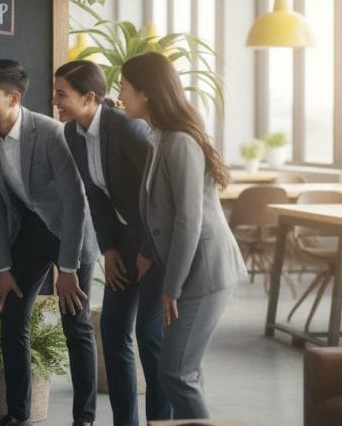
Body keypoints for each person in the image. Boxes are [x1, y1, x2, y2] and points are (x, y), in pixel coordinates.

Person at [117, 51, 247, 419]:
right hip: (190, 269)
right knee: (186, 370)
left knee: (176, 372)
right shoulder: (160, 135)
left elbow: (188, 220)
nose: (121, 94)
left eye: (125, 88)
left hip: (204, 272)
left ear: (147, 94)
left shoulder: (180, 142)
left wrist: (170, 287)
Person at [0, 59, 99, 426]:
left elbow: (75, 202)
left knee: (75, 322)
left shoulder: (49, 133)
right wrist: (3, 266)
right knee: (12, 315)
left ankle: (85, 419)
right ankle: (17, 413)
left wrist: (69, 267)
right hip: (30, 230)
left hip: (70, 231)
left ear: (13, 98)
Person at [52, 60, 171, 426]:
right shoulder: (72, 133)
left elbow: (161, 196)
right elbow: (94, 194)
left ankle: (162, 422)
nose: (56, 101)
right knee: (114, 330)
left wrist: (148, 252)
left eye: (62, 94)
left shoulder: (129, 129)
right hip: (122, 243)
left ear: (89, 97)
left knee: (150, 337)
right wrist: (109, 249)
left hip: (157, 244)